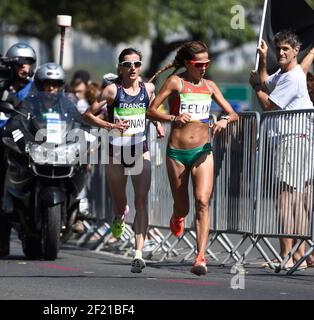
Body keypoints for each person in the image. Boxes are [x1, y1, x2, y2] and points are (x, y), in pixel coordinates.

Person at [147, 41, 238, 276]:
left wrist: (224, 120)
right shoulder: (176, 82)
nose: (204, 68)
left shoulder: (210, 86)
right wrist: (173, 118)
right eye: (199, 64)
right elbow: (151, 110)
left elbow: (233, 113)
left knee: (202, 202)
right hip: (177, 153)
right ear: (189, 64)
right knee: (184, 207)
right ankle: (177, 216)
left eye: (207, 63)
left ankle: (200, 256)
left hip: (202, 152)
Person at [83, 48, 159, 273]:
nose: (132, 68)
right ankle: (119, 215)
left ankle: (138, 254)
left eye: (136, 63)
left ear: (141, 66)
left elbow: (150, 111)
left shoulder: (149, 89)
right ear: (120, 67)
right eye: (128, 64)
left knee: (141, 201)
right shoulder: (111, 91)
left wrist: (157, 123)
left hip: (140, 151)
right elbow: (87, 115)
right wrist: (110, 126)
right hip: (115, 153)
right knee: (120, 203)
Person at [250, 31, 313, 270]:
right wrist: (264, 60)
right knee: (296, 200)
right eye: (280, 49)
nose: (282, 52)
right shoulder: (285, 74)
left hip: (291, 141)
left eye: (287, 48)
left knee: (284, 199)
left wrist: (256, 87)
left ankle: (289, 255)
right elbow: (268, 81)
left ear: (297, 50)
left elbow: (269, 105)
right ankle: (300, 255)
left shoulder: (293, 77)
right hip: (294, 141)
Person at [0, 43, 36, 257]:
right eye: (20, 63)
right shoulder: (0, 86)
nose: (24, 67)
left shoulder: (36, 88)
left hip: (28, 145)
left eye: (28, 62)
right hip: (3, 144)